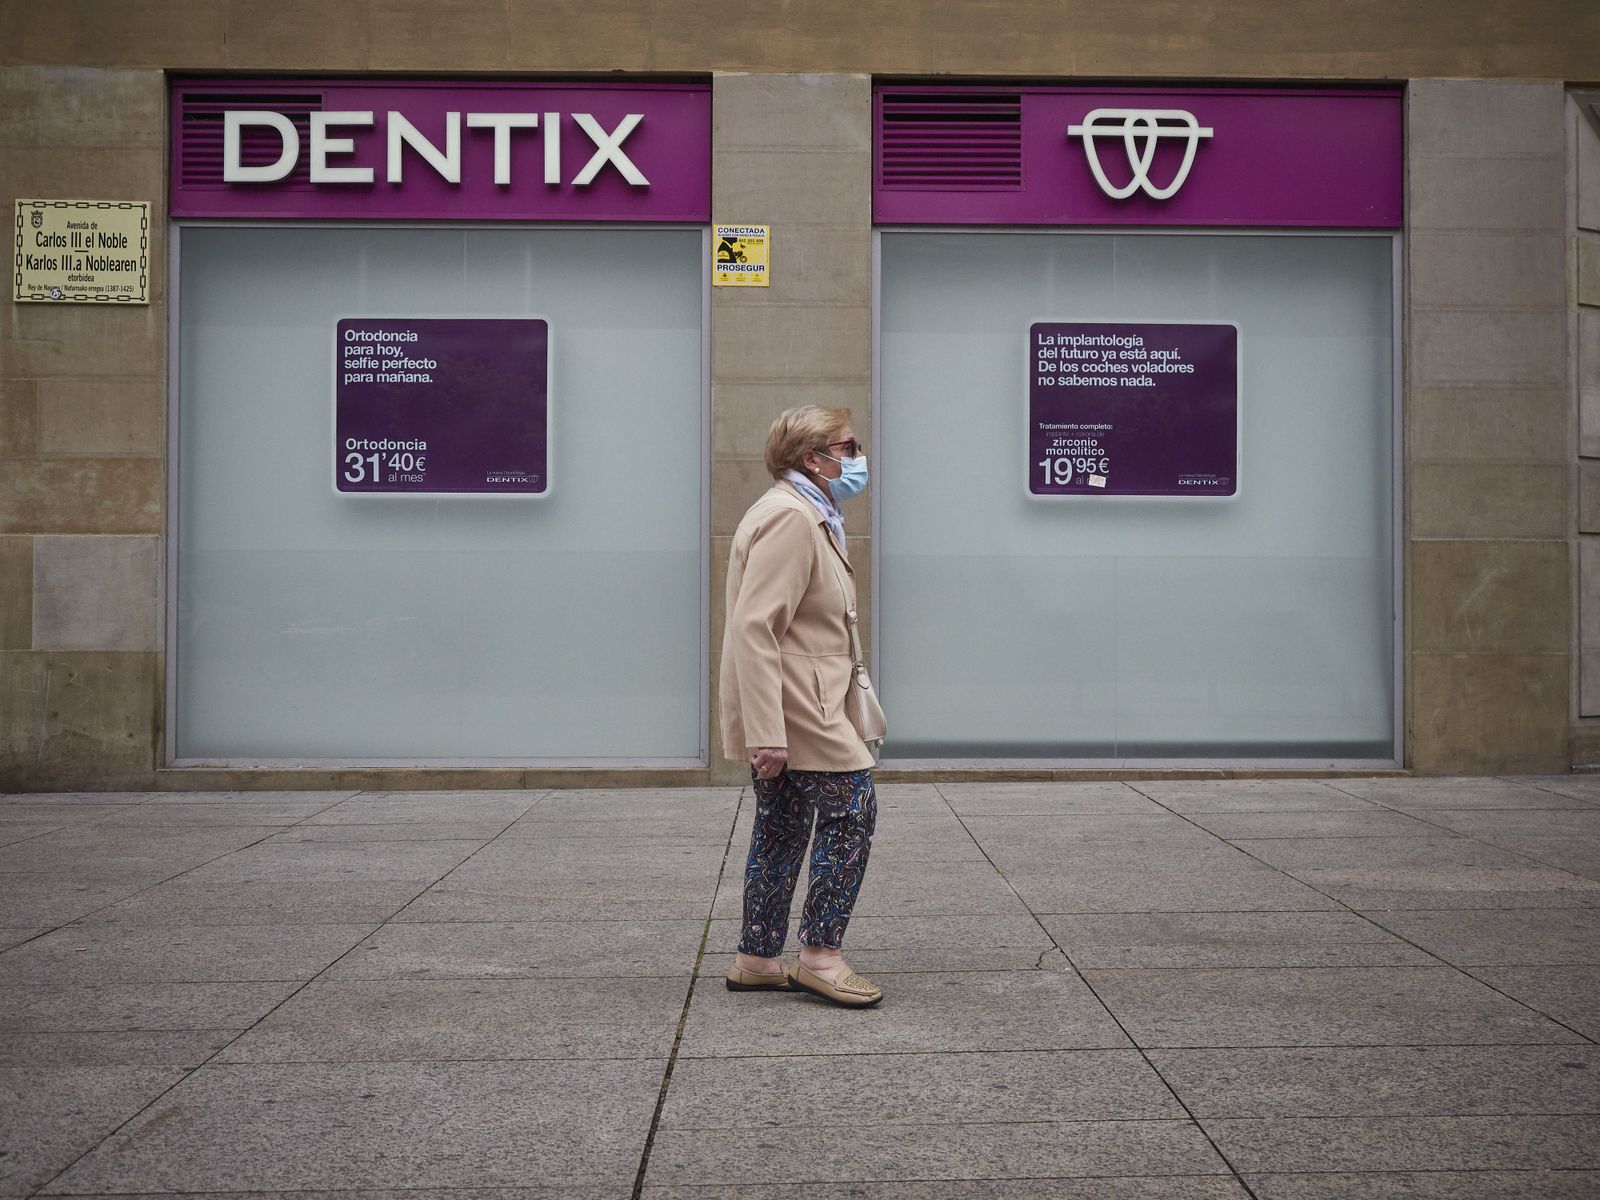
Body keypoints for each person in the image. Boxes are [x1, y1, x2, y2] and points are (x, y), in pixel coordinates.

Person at [719, 405, 883, 1008]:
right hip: (799, 708)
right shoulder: (791, 518)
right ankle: (820, 956)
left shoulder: (809, 512)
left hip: (797, 702)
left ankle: (758, 957)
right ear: (812, 459)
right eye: (847, 446)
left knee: (783, 825)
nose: (857, 457)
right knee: (852, 812)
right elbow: (756, 629)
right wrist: (768, 732)